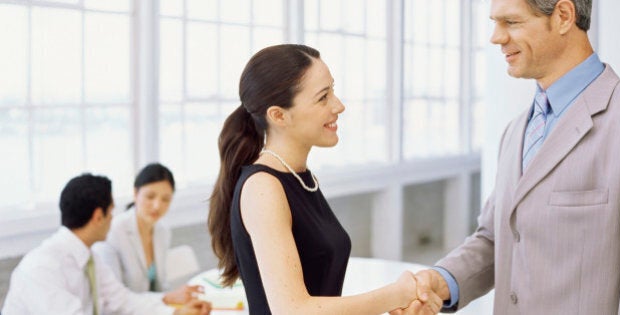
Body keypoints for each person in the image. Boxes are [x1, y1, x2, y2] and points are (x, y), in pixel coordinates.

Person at [392, 0, 620, 314]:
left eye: (511, 22)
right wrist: (443, 279)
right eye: (495, 22)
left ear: (563, 16)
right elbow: (497, 237)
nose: (496, 37)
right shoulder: (517, 130)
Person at [207, 44, 442, 314]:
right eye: (323, 97)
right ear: (278, 115)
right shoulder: (263, 188)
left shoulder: (300, 178)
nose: (338, 105)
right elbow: (293, 310)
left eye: (333, 90)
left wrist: (402, 300)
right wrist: (397, 295)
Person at [1, 173, 211, 315]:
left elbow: (122, 301)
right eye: (111, 211)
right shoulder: (42, 267)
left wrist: (173, 311)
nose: (113, 218)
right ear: (98, 216)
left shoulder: (89, 259)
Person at [93, 163, 202, 304]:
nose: (157, 205)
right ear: (135, 193)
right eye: (150, 197)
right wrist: (166, 298)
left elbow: (159, 286)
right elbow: (113, 300)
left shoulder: (162, 231)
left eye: (166, 199)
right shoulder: (113, 232)